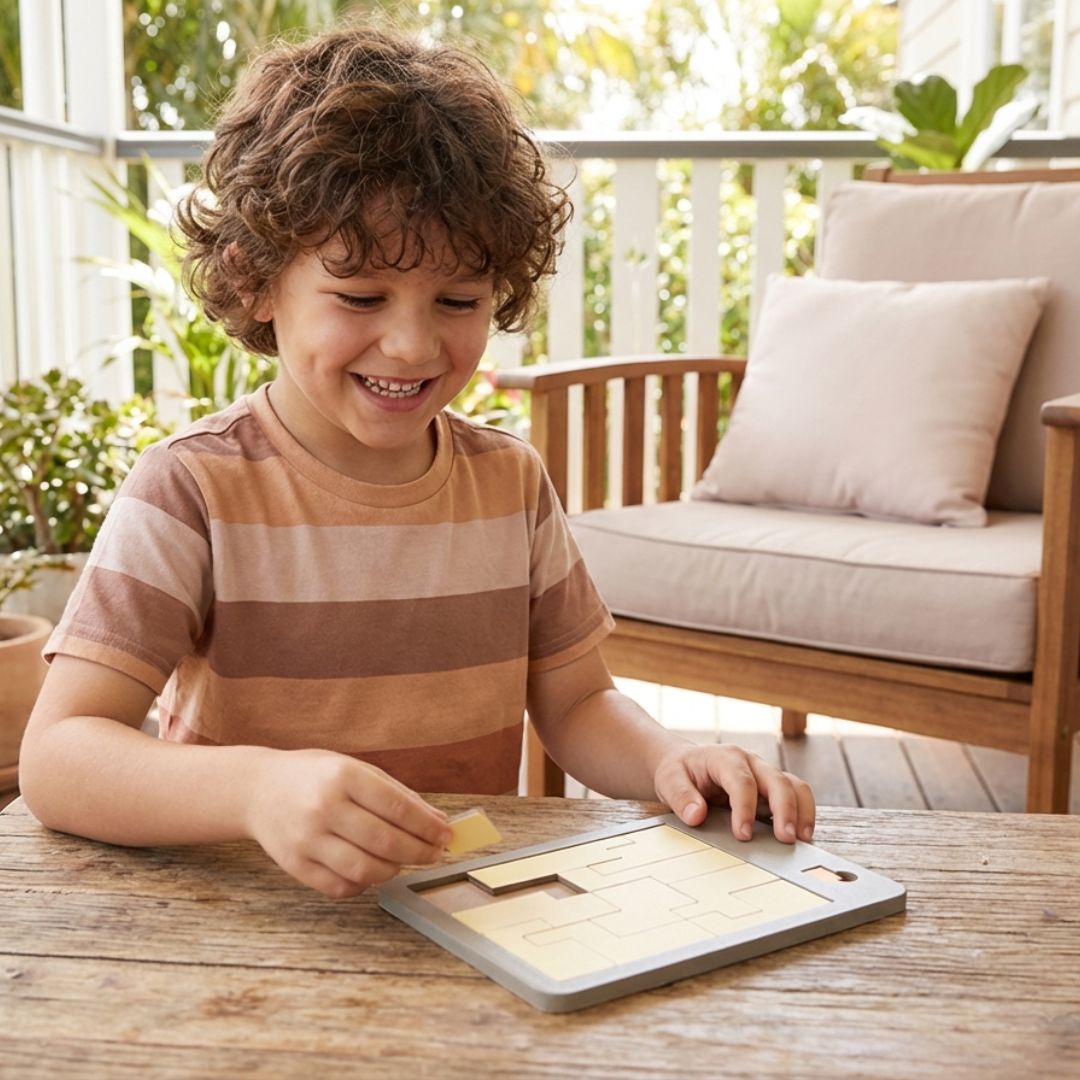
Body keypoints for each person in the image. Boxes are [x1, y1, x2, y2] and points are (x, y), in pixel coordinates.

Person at [19, 24, 814, 900]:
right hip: (256, 921)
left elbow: (579, 704)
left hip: (472, 905)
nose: (411, 343)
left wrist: (673, 758)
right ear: (254, 282)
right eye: (360, 296)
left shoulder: (509, 483)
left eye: (459, 299)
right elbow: (59, 757)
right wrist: (255, 790)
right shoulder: (193, 487)